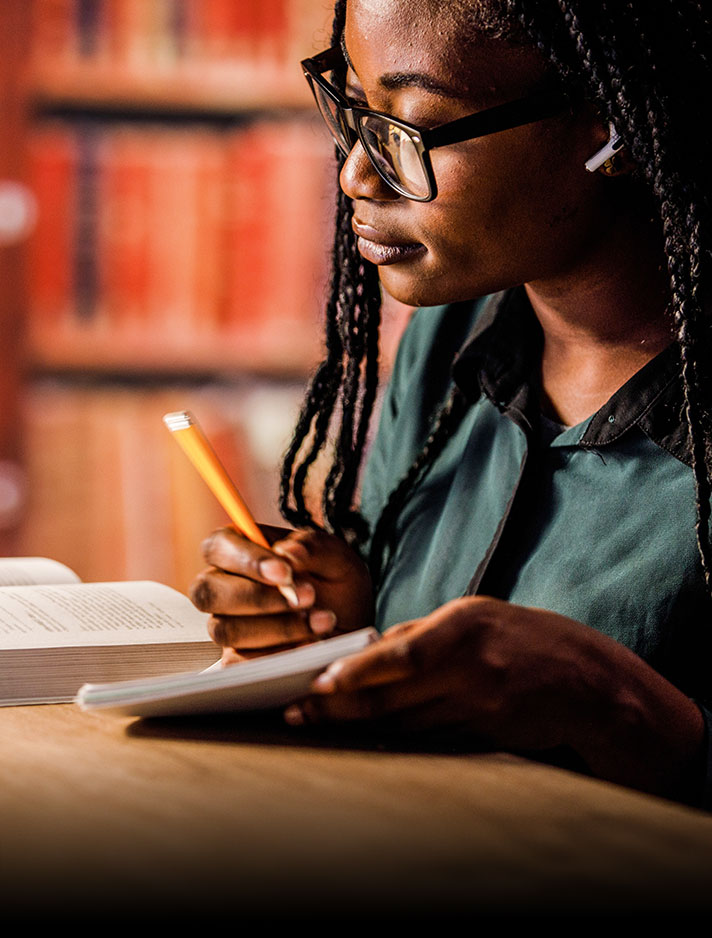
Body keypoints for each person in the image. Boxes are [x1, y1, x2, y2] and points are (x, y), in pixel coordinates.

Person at [190, 0, 712, 809]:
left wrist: (620, 707)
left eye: (415, 124)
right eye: (354, 106)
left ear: (613, 129)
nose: (356, 174)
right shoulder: (450, 342)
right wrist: (344, 618)